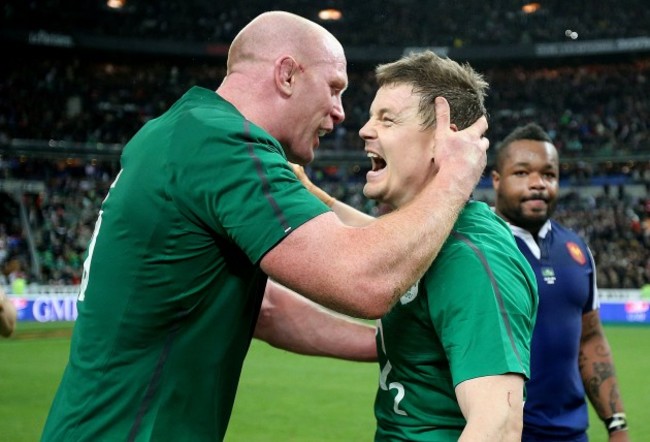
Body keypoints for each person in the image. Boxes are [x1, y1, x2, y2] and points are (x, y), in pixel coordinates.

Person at [41, 11, 490, 442]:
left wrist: (387, 346)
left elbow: (268, 310)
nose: (340, 114)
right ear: (287, 75)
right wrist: (454, 177)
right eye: (334, 88)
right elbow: (363, 281)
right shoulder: (223, 143)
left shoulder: (180, 130)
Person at [296, 50, 538, 441]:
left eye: (387, 119)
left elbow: (499, 426)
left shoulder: (473, 257)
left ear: (443, 140)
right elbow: (374, 239)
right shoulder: (431, 239)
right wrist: (315, 198)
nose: (364, 130)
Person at [491, 122, 630, 442]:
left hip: (571, 434)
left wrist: (617, 425)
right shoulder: (478, 248)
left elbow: (590, 340)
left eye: (548, 174)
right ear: (497, 180)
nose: (538, 184)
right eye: (522, 173)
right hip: (502, 434)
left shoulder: (577, 250)